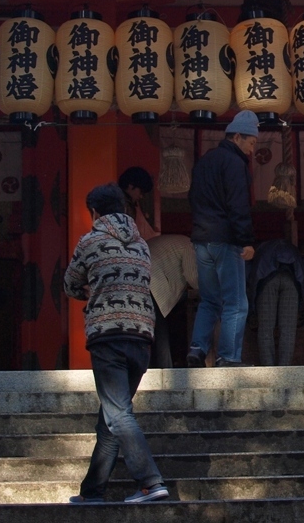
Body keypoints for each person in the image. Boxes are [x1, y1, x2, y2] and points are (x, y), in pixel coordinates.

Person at [63, 182, 169, 504]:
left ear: (94, 211)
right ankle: (92, 491)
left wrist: (92, 291)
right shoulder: (141, 246)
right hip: (141, 338)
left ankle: (151, 481)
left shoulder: (91, 241)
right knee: (111, 416)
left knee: (118, 414)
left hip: (109, 336)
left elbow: (70, 283)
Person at [186, 110, 258, 368]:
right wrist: (246, 241)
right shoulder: (234, 164)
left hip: (201, 240)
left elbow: (192, 198)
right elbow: (238, 206)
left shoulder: (205, 162)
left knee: (209, 299)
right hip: (226, 241)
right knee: (236, 303)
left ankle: (197, 348)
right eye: (251, 142)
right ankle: (228, 357)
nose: (252, 149)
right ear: (237, 137)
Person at [248, 239, 304, 366]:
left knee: (266, 328)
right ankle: (285, 370)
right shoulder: (292, 249)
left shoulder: (262, 249)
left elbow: (250, 273)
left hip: (267, 281)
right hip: (291, 281)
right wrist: (303, 290)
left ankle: (268, 369)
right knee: (288, 329)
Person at [147, 234, 199, 369]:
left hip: (138, 281)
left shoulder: (175, 241)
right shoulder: (189, 244)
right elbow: (193, 278)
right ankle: (164, 369)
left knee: (149, 332)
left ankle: (153, 368)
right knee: (160, 333)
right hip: (156, 284)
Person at [118, 166, 159, 241]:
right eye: (141, 192)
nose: (141, 196)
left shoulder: (129, 204)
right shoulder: (120, 204)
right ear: (131, 186)